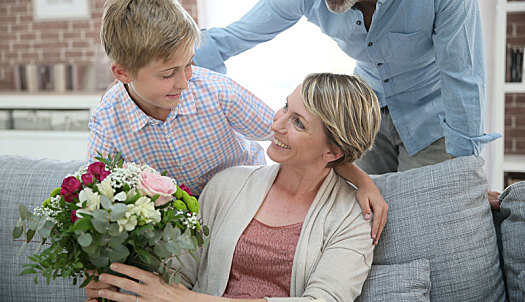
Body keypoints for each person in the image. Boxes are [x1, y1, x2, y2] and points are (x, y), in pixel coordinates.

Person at [88, 0, 388, 241]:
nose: (183, 82)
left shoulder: (216, 92)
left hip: (250, 206)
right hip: (178, 230)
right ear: (123, 73)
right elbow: (99, 195)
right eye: (168, 74)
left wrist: (362, 180)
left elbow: (292, 136)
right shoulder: (107, 121)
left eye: (189, 64)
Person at [193, 0, 501, 175]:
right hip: (363, 115)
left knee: (420, 222)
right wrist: (168, 74)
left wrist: (465, 175)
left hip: (433, 120)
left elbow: (463, 76)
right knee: (358, 219)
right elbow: (229, 38)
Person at [84, 72, 381, 302]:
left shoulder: (354, 217)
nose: (276, 125)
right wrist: (118, 286)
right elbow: (176, 275)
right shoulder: (227, 184)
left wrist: (188, 300)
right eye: (285, 107)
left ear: (332, 152)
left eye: (298, 123)